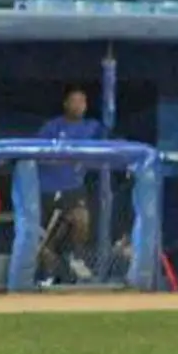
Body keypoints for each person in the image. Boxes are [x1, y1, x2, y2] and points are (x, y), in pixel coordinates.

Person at [34, 86, 106, 286]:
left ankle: (77, 256)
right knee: (46, 243)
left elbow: (108, 140)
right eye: (74, 101)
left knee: (81, 217)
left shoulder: (92, 127)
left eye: (82, 102)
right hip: (49, 189)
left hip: (73, 187)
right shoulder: (52, 127)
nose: (79, 105)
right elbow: (37, 153)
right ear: (66, 103)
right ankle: (52, 276)